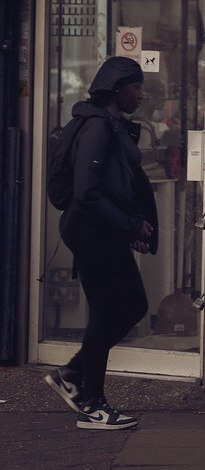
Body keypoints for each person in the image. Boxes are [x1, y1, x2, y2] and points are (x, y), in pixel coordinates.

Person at [43, 56, 158, 431]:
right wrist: (128, 224)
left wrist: (130, 229)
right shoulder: (97, 128)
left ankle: (76, 377)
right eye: (136, 87)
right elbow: (87, 191)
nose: (140, 94)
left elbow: (116, 184)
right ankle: (90, 399)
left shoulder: (110, 125)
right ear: (117, 89)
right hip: (91, 232)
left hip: (103, 231)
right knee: (118, 309)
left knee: (121, 308)